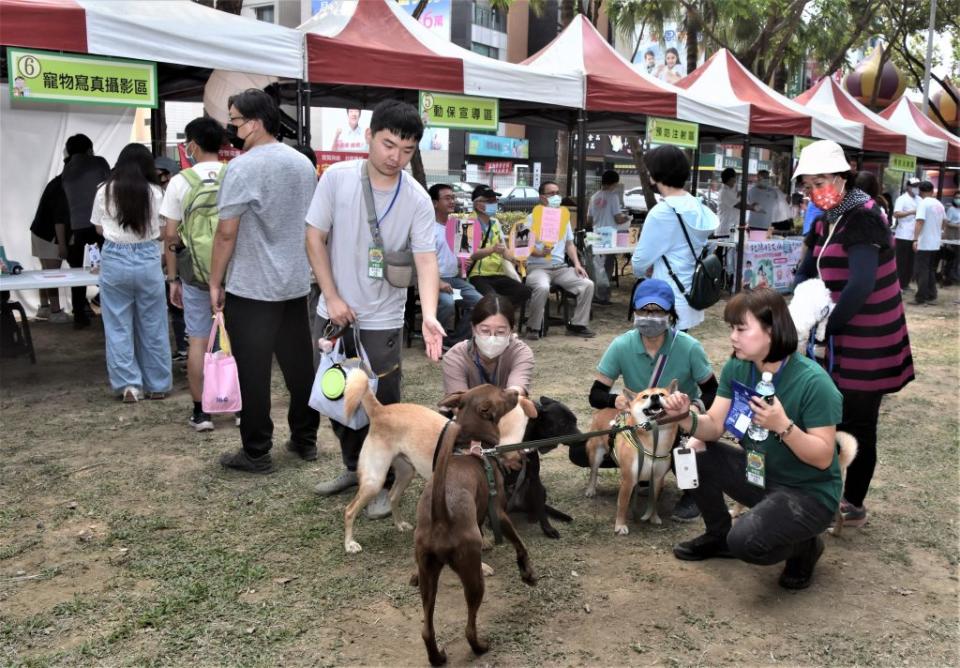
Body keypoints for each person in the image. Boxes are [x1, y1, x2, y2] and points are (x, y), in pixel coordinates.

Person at [308, 99, 444, 517]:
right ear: (369, 136)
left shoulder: (418, 198)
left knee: (383, 402)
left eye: (406, 151)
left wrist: (430, 315)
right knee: (336, 394)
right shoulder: (336, 179)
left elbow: (426, 260)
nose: (395, 158)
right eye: (388, 145)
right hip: (333, 313)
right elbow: (314, 238)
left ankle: (383, 481)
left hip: (382, 317)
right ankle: (355, 468)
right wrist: (331, 297)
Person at [662, 288, 843, 590]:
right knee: (690, 456)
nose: (733, 336)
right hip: (759, 474)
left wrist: (784, 426)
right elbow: (714, 427)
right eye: (731, 328)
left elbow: (824, 456)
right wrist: (685, 417)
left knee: (746, 543)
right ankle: (717, 536)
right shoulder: (739, 366)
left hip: (807, 493)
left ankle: (805, 546)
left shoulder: (814, 382)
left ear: (771, 331)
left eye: (741, 328)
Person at [793, 139, 914, 527]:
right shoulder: (829, 218)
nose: (816, 191)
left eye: (822, 181)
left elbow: (861, 284)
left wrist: (831, 327)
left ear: (842, 177)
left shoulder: (863, 216)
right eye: (809, 184)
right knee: (834, 416)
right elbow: (811, 268)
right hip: (843, 336)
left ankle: (853, 501)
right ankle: (828, 491)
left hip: (869, 339)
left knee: (859, 422)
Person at [208, 88, 320, 474]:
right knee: (299, 366)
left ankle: (256, 451)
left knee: (253, 372)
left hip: (253, 286)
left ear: (254, 123)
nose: (231, 126)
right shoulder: (302, 164)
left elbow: (226, 233)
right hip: (294, 281)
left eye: (235, 119)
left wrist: (214, 280)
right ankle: (305, 440)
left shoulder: (243, 167)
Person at [578, 278, 717, 521]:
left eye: (657, 311)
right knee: (579, 454)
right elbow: (595, 395)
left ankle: (691, 493)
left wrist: (694, 407)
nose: (649, 316)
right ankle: (641, 474)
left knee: (691, 448)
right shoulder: (621, 345)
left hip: (677, 422)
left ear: (670, 314)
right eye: (643, 310)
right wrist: (615, 401)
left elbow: (713, 390)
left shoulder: (689, 347)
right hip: (639, 426)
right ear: (633, 312)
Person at [90, 143, 171, 403]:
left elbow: (99, 229)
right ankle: (157, 385)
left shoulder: (104, 190)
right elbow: (162, 229)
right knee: (153, 324)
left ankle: (128, 385)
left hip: (114, 257)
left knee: (117, 325)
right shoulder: (156, 192)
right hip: (147, 257)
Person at [161, 117, 226, 432]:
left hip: (196, 274)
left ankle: (201, 413)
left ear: (193, 145)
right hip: (234, 273)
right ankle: (238, 406)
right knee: (235, 340)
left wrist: (174, 278)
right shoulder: (233, 173)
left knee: (198, 339)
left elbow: (171, 236)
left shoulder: (180, 181)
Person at [632, 145, 719, 331]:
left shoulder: (662, 212)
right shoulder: (696, 204)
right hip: (690, 292)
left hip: (665, 294)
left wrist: (642, 271)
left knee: (662, 355)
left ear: (656, 173)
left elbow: (639, 261)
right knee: (677, 351)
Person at [518, 181, 595, 340]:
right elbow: (522, 247)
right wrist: (539, 253)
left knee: (587, 284)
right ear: (542, 197)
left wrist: (577, 264)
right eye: (551, 193)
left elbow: (569, 244)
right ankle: (533, 327)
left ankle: (577, 325)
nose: (556, 197)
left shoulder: (563, 218)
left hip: (560, 267)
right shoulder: (530, 219)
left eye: (557, 193)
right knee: (542, 286)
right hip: (537, 267)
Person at [61, 133, 111, 329]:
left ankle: (79, 314)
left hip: (77, 228)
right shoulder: (98, 162)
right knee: (107, 271)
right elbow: (110, 187)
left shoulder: (66, 170)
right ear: (89, 149)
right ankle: (109, 311)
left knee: (77, 274)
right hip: (100, 227)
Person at [441, 293, 533, 397]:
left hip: (509, 411)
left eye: (500, 332)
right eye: (485, 331)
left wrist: (510, 397)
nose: (492, 338)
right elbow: (458, 404)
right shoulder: (455, 356)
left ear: (511, 330)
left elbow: (517, 390)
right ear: (473, 328)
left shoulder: (520, 352)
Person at [428, 183, 482, 347]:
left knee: (481, 303)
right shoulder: (427, 228)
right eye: (447, 198)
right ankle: (436, 341)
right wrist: (438, 282)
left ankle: (456, 339)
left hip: (455, 279)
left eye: (453, 197)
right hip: (432, 281)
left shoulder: (459, 227)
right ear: (435, 203)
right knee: (447, 303)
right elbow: (421, 262)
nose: (452, 201)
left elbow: (461, 258)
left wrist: (463, 262)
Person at [466, 185, 531, 314]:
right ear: (478, 204)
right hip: (477, 276)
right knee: (492, 299)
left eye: (495, 200)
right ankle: (497, 317)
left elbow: (502, 249)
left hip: (497, 274)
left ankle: (500, 315)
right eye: (490, 201)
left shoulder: (495, 223)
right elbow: (470, 254)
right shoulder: (467, 224)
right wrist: (492, 249)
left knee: (524, 291)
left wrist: (516, 260)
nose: (495, 204)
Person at [29, 148, 71, 323]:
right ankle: (54, 311)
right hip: (48, 235)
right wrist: (62, 245)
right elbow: (59, 220)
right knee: (51, 273)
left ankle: (45, 307)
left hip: (39, 231)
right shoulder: (63, 186)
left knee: (46, 272)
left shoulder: (56, 182)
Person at [587, 170, 628, 305]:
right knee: (607, 265)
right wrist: (626, 218)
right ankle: (604, 296)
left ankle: (595, 293)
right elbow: (618, 218)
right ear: (615, 183)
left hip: (595, 233)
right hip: (609, 235)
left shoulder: (594, 197)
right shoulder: (613, 197)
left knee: (596, 265)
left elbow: (589, 219)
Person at [912, 181, 945, 305]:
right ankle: (932, 294)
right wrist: (939, 232)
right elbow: (944, 221)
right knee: (930, 269)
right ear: (932, 191)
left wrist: (915, 239)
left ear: (920, 191)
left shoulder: (923, 204)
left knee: (922, 270)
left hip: (925, 241)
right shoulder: (939, 204)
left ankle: (921, 297)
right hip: (935, 242)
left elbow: (919, 221)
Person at [892, 177, 921, 290]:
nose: (916, 188)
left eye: (918, 186)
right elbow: (896, 214)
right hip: (903, 235)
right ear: (908, 187)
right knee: (901, 262)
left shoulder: (919, 199)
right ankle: (897, 285)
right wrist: (911, 212)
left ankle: (905, 284)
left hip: (915, 235)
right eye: (914, 186)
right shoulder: (902, 199)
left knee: (911, 262)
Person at [717, 167, 750, 238]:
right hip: (725, 230)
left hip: (733, 228)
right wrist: (753, 207)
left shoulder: (732, 189)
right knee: (724, 247)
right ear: (731, 179)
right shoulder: (724, 192)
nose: (735, 181)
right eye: (735, 178)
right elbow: (739, 205)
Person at [940, 195, 960, 286]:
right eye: (956, 197)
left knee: (958, 256)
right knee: (953, 254)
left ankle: (955, 273)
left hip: (958, 233)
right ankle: (948, 274)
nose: (958, 199)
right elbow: (947, 222)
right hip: (952, 233)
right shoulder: (951, 209)